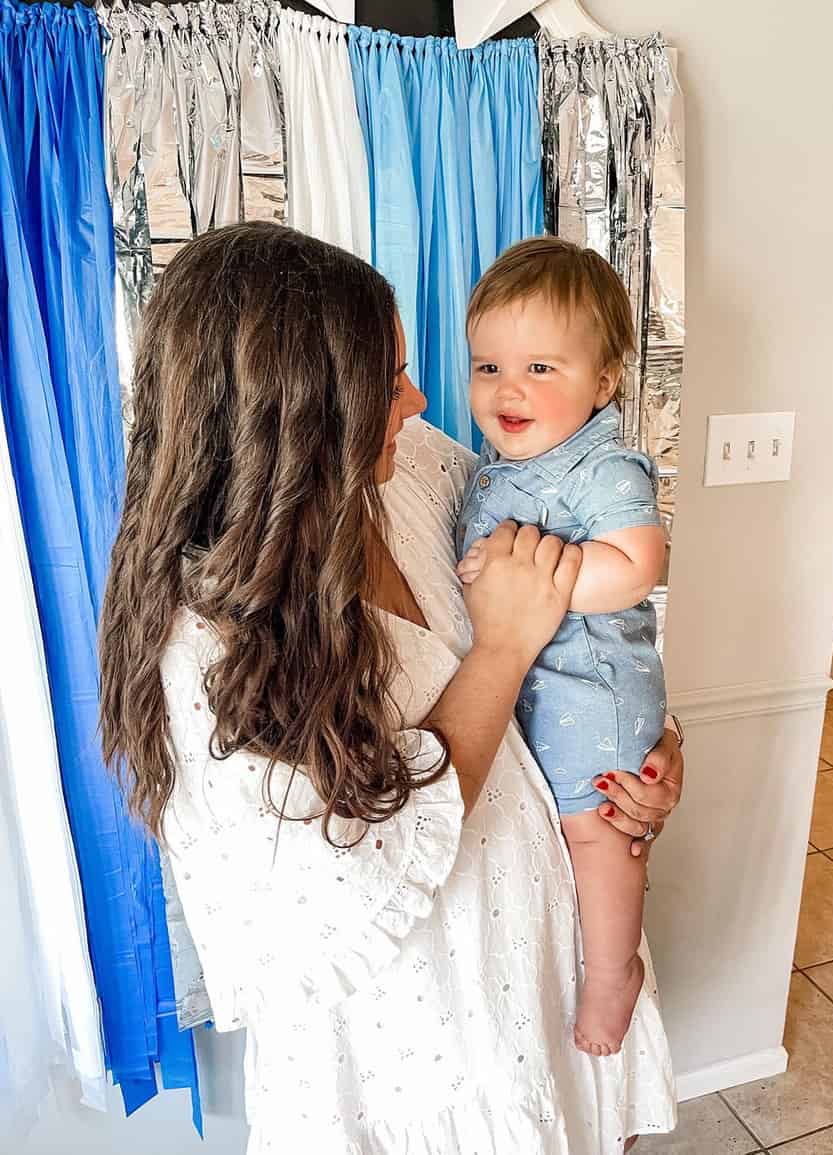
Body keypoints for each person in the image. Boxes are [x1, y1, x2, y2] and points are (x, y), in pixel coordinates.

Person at [98, 222, 681, 1155]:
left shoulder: (419, 471)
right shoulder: (203, 645)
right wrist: (501, 650)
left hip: (545, 964)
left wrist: (650, 744)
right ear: (295, 419)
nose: (417, 398)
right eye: (388, 379)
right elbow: (345, 890)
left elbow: (584, 621)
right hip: (422, 1049)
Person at [456, 237, 666, 1057]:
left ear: (604, 382)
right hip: (544, 691)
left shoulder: (603, 465)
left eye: (542, 369)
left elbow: (637, 563)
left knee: (596, 828)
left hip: (595, 693)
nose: (509, 389)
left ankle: (614, 970)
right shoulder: (491, 464)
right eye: (488, 366)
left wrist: (540, 577)